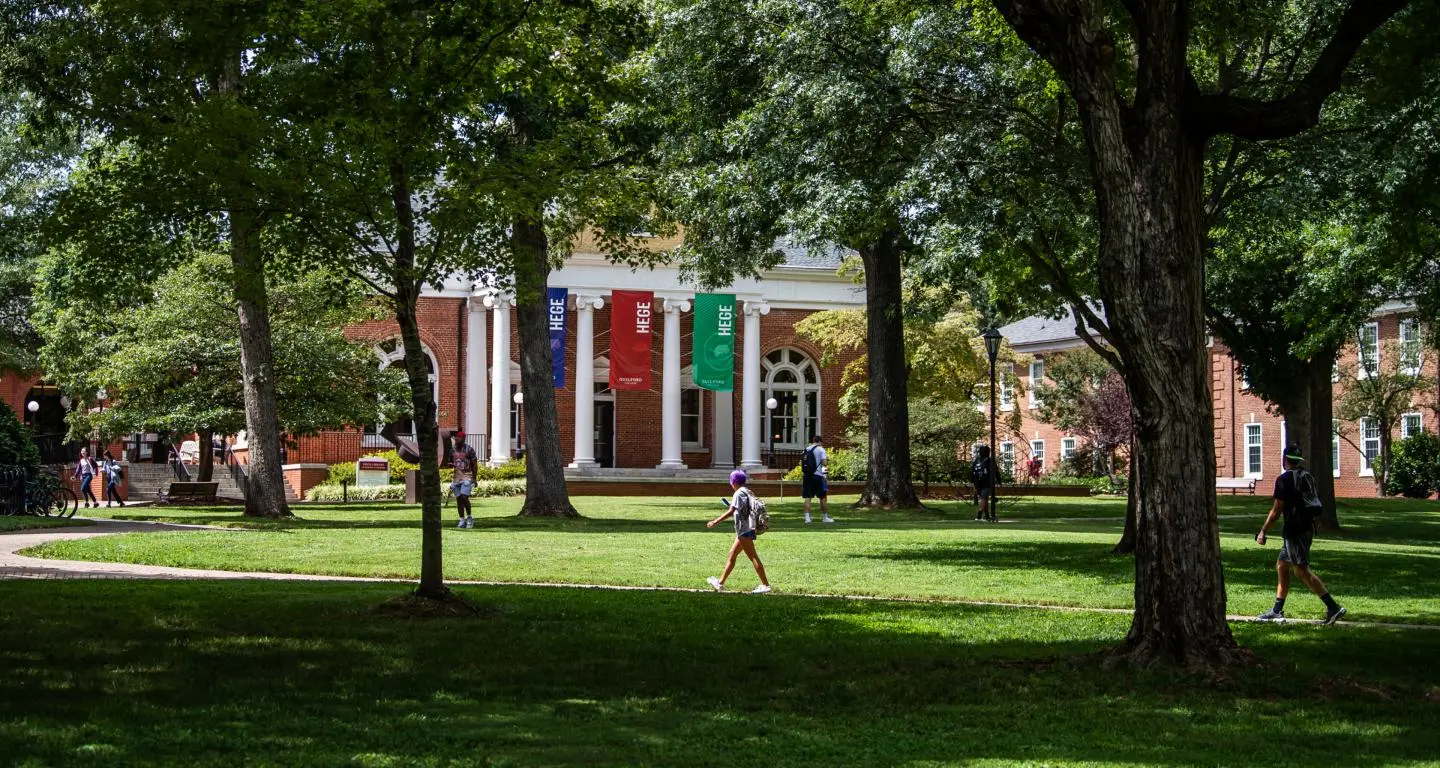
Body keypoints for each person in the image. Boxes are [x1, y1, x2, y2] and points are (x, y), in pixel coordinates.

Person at [1256, 444, 1346, 625]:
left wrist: (1263, 531)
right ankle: (1277, 610)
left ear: (1285, 459)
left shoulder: (1284, 480)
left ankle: (1333, 607)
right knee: (1282, 565)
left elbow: (1276, 511)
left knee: (1301, 571)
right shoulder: (1307, 476)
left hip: (1294, 530)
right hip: (1307, 528)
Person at [705, 469, 772, 593]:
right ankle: (720, 583)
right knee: (732, 555)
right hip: (746, 528)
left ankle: (765, 585)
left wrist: (715, 522)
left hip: (744, 530)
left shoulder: (738, 493)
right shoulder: (746, 491)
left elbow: (731, 512)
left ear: (733, 482)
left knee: (753, 557)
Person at [450, 430, 479, 528]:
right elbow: (449, 461)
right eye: (455, 439)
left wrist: (474, 479)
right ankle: (461, 520)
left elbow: (474, 465)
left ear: (462, 439)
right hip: (457, 477)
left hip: (467, 476)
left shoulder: (469, 449)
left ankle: (470, 517)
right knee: (458, 499)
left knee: (464, 497)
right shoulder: (453, 450)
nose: (455, 440)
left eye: (457, 439)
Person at [801, 434, 832, 524]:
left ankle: (807, 518)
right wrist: (826, 461)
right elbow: (824, 463)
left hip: (807, 476)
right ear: (820, 441)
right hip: (817, 476)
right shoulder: (820, 449)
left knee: (807, 498)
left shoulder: (806, 449)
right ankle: (825, 517)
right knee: (822, 497)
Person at [972, 445, 997, 522]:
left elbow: (972, 472)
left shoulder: (976, 461)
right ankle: (979, 515)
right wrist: (998, 480)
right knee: (983, 498)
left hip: (977, 483)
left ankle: (987, 515)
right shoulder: (989, 461)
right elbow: (995, 471)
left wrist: (974, 482)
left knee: (984, 498)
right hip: (986, 482)